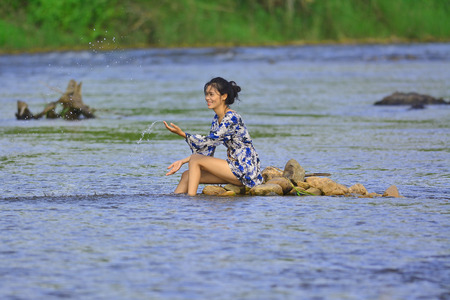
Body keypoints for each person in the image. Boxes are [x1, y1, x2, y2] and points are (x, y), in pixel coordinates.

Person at [164, 77, 263, 196]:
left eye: (211, 94)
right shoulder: (217, 119)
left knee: (195, 160)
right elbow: (208, 149)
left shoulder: (231, 118)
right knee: (187, 175)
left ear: (224, 96)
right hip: (234, 168)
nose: (207, 98)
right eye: (206, 94)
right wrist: (182, 161)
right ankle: (174, 205)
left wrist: (183, 134)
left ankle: (191, 201)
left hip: (244, 169)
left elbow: (211, 141)